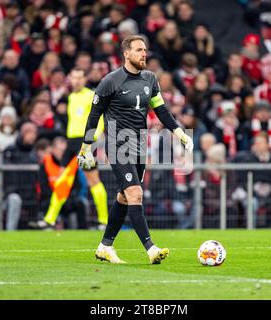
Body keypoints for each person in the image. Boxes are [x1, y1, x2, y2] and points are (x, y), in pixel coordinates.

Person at [78, 35, 193, 264]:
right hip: (117, 144)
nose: (144, 54)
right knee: (135, 193)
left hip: (139, 145)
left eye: (145, 50)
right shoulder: (110, 81)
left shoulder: (150, 78)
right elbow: (94, 117)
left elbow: (161, 111)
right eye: (139, 50)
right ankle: (151, 249)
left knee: (124, 196)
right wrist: (86, 148)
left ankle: (105, 246)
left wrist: (179, 132)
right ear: (126, 54)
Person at [31, 67, 109, 230]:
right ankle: (50, 219)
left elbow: (101, 116)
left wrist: (92, 138)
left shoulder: (90, 95)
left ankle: (104, 221)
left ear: (85, 79)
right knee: (61, 179)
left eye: (80, 78)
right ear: (70, 79)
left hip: (84, 142)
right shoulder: (71, 97)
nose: (77, 81)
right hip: (71, 143)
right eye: (74, 78)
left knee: (93, 180)